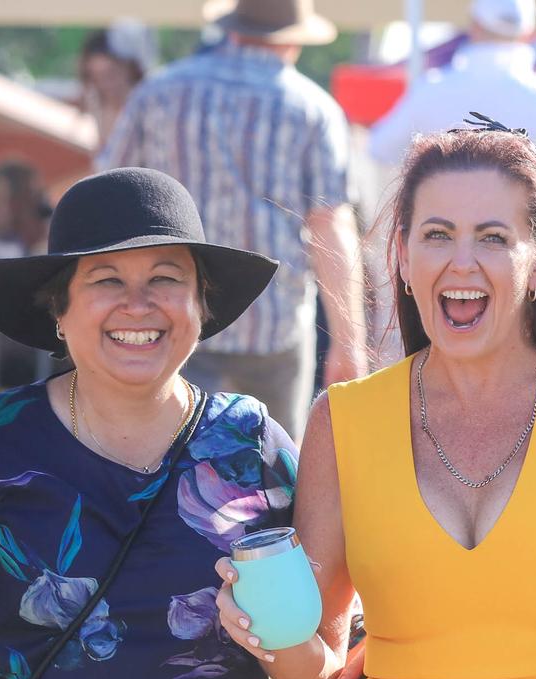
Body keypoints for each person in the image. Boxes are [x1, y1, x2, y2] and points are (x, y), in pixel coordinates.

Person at [213, 121, 536, 679]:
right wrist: (261, 629)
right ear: (405, 259)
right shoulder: (342, 420)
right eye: (437, 235)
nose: (461, 262)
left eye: (493, 238)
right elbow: (321, 659)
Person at [0, 168, 295, 679]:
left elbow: (332, 629)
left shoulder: (252, 445)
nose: (138, 304)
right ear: (59, 311)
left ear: (201, 306)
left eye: (166, 278)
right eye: (106, 280)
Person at [100, 0, 368, 439]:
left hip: (168, 318)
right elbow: (329, 227)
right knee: (277, 478)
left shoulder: (159, 93)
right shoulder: (313, 108)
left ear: (233, 27)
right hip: (274, 323)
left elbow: (111, 195)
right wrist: (348, 341)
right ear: (294, 40)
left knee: (164, 469)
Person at [366, 0, 536, 196]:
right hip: (520, 249)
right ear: (528, 31)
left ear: (475, 25)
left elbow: (379, 149)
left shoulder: (430, 89)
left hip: (442, 243)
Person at [79, 20, 156, 151]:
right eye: (99, 77)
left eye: (112, 74)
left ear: (130, 70)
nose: (107, 86)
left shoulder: (148, 106)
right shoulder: (95, 103)